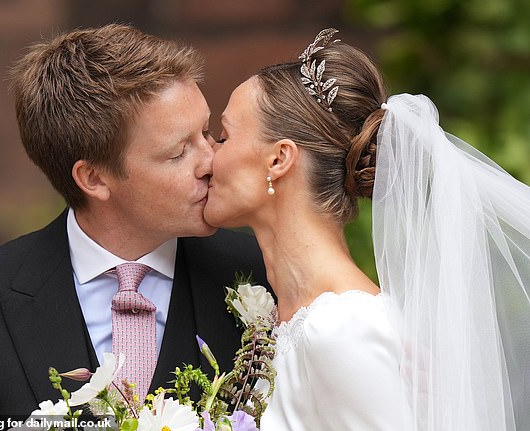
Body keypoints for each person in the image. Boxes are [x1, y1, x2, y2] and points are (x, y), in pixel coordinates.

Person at [0, 23, 267, 420]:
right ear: (94, 178)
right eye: (179, 152)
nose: (211, 161)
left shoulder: (259, 274)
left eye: (207, 133)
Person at [204, 28, 530, 430]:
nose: (208, 155)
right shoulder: (284, 320)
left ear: (279, 160)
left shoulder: (346, 329)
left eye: (223, 136)